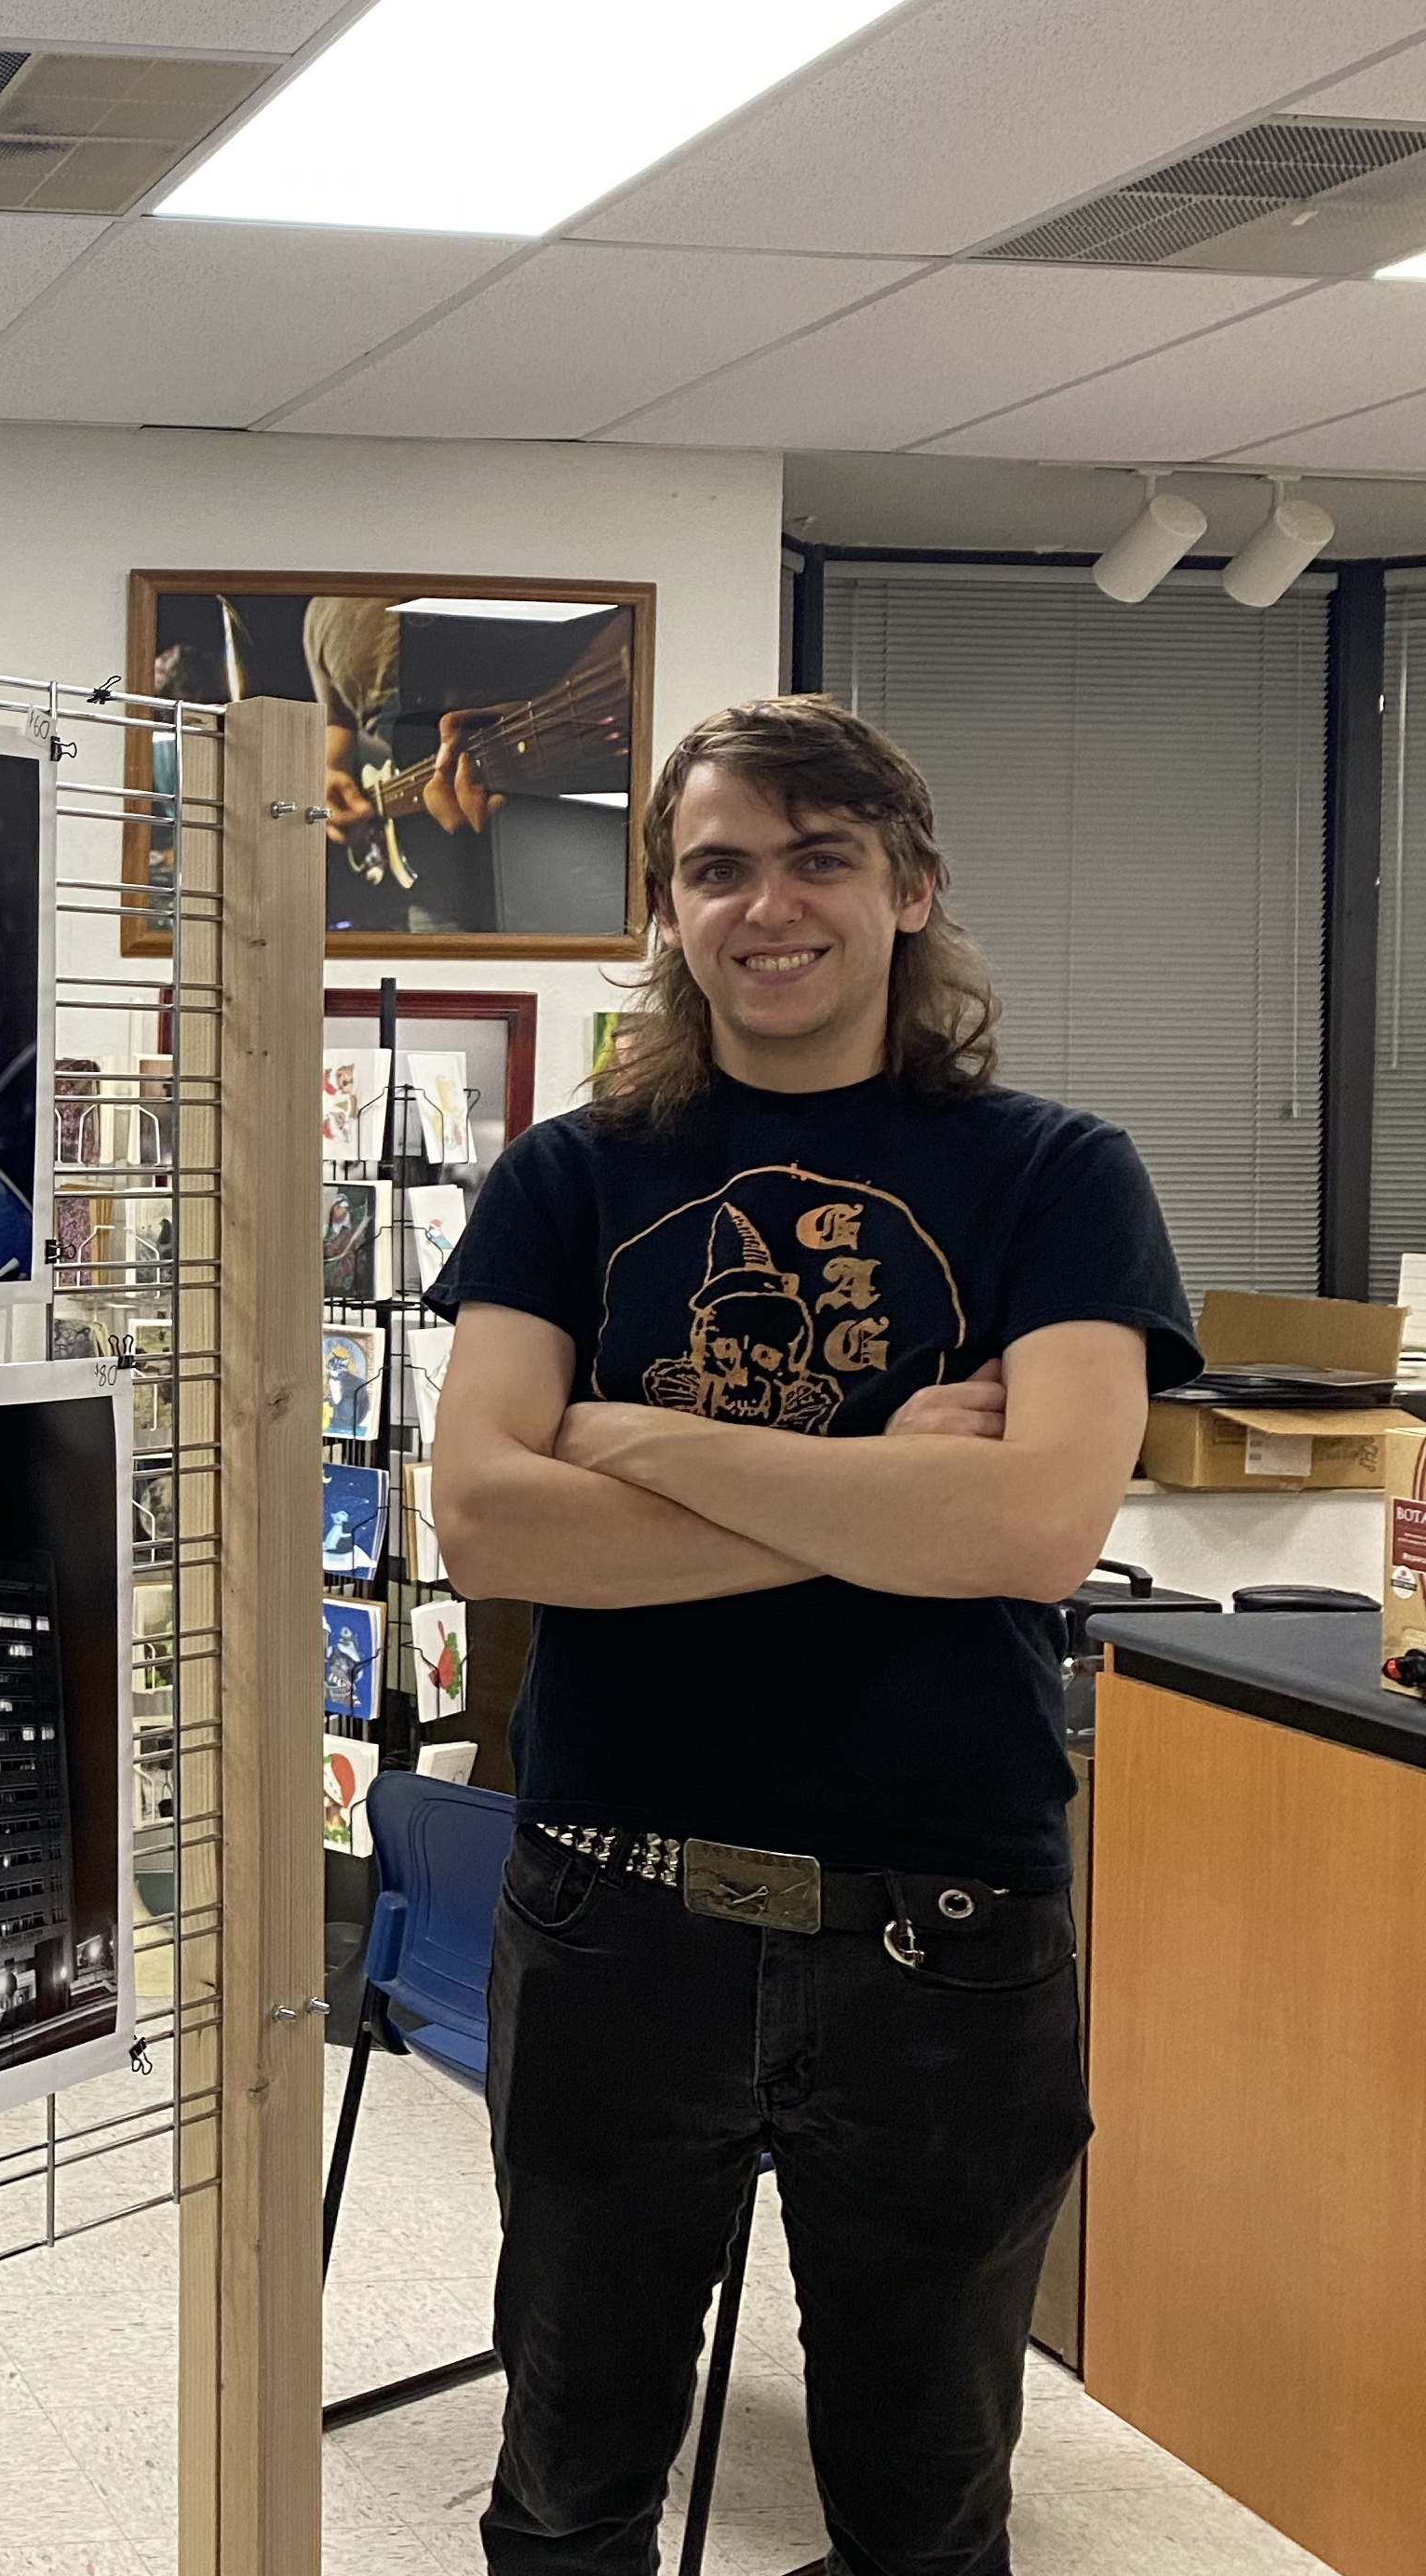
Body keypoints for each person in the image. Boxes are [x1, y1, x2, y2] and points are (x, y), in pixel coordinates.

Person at [424, 698, 1192, 2576]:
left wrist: (630, 1439)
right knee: (566, 2495)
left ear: (908, 888)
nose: (766, 905)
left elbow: (1034, 1526)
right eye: (717, 868)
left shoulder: (1058, 1175)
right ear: (668, 912)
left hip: (944, 1938)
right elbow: (485, 1523)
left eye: (817, 857)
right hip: (614, 1914)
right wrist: (877, 1488)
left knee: (924, 2521)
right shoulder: (565, 1180)